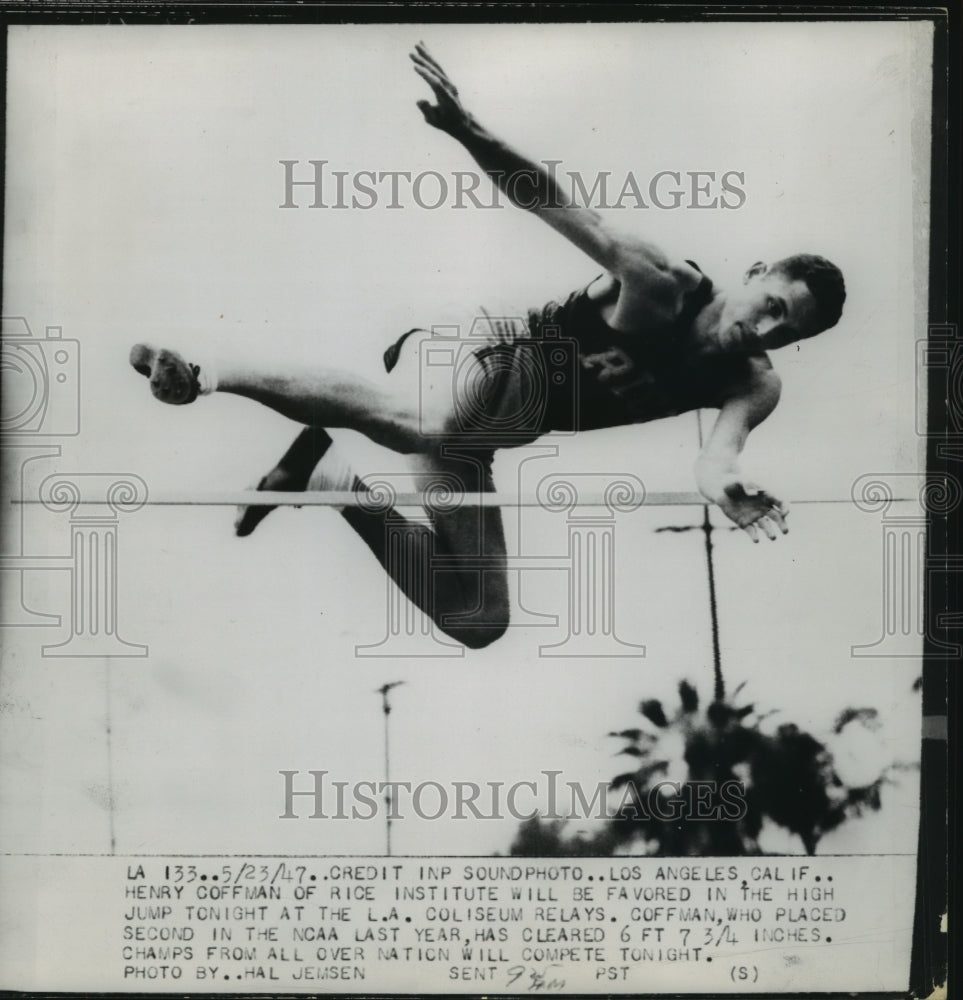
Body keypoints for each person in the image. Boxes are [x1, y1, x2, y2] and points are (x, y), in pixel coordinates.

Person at [130, 43, 846, 650]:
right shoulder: (661, 286)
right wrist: (470, 132)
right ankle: (205, 371)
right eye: (773, 307)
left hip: (487, 434)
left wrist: (727, 491)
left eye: (792, 332)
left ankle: (327, 479)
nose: (769, 330)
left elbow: (716, 457)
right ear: (754, 275)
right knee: (429, 422)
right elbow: (556, 202)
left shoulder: (753, 385)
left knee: (477, 616)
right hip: (486, 344)